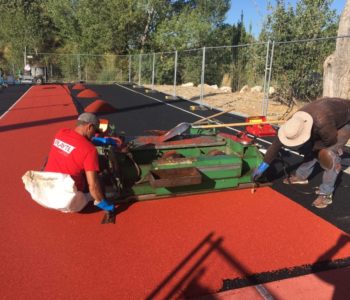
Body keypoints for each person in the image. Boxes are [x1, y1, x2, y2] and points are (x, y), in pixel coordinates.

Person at [252, 97, 350, 209]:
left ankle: (326, 193)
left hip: (345, 121)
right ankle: (301, 176)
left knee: (328, 155)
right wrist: (261, 168)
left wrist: (314, 148)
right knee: (310, 147)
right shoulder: (294, 123)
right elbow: (275, 146)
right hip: (328, 116)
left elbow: (330, 140)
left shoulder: (322, 123)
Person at [44, 112, 115, 212]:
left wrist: (94, 140)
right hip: (70, 200)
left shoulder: (61, 132)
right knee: (101, 166)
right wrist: (102, 203)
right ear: (90, 127)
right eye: (94, 132)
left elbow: (75, 143)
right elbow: (93, 185)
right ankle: (108, 193)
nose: (94, 135)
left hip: (47, 191)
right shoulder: (90, 150)